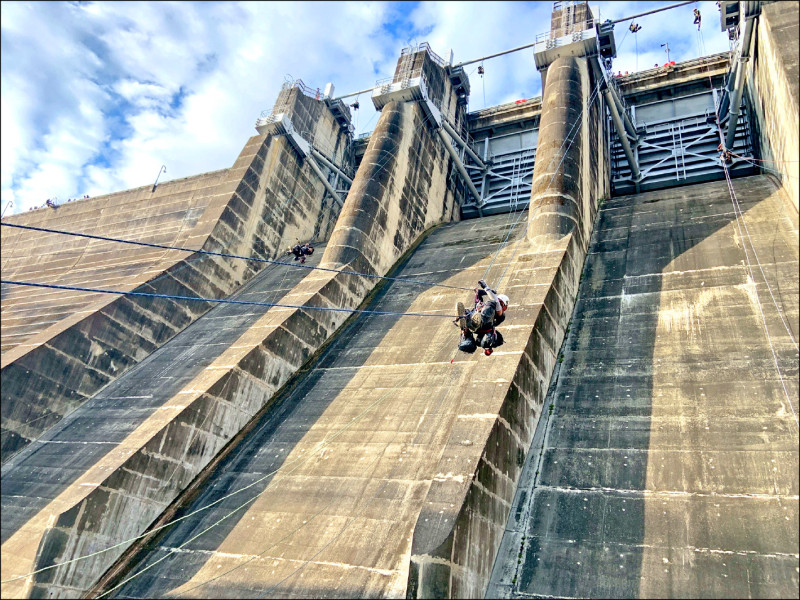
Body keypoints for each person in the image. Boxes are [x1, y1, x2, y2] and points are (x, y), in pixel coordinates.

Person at [454, 280, 510, 355]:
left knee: (490, 304)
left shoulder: (500, 315)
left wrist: (486, 288)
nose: (500, 305)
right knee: (471, 311)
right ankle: (464, 323)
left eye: (502, 303)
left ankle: (467, 322)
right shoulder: (483, 306)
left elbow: (495, 302)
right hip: (474, 324)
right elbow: (478, 292)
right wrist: (488, 292)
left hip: (484, 325)